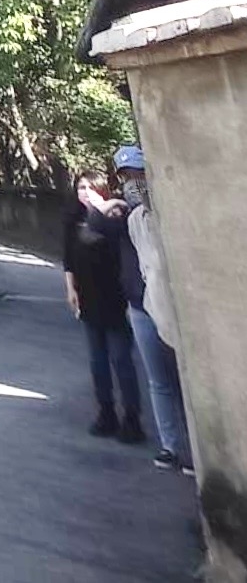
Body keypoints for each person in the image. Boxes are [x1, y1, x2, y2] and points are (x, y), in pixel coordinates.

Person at [114, 145, 194, 474]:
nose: (132, 184)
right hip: (141, 306)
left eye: (137, 175)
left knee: (183, 379)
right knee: (158, 380)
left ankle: (196, 450)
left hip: (173, 308)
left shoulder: (171, 215)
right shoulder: (130, 219)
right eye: (126, 178)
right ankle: (170, 446)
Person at [63, 170, 145, 443]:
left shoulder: (114, 218)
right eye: (81, 187)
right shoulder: (73, 220)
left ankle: (132, 417)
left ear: (102, 190)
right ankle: (106, 411)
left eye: (91, 187)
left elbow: (119, 248)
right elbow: (68, 258)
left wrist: (109, 204)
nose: (85, 192)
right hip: (88, 299)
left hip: (115, 299)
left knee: (121, 359)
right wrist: (70, 289)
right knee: (97, 360)